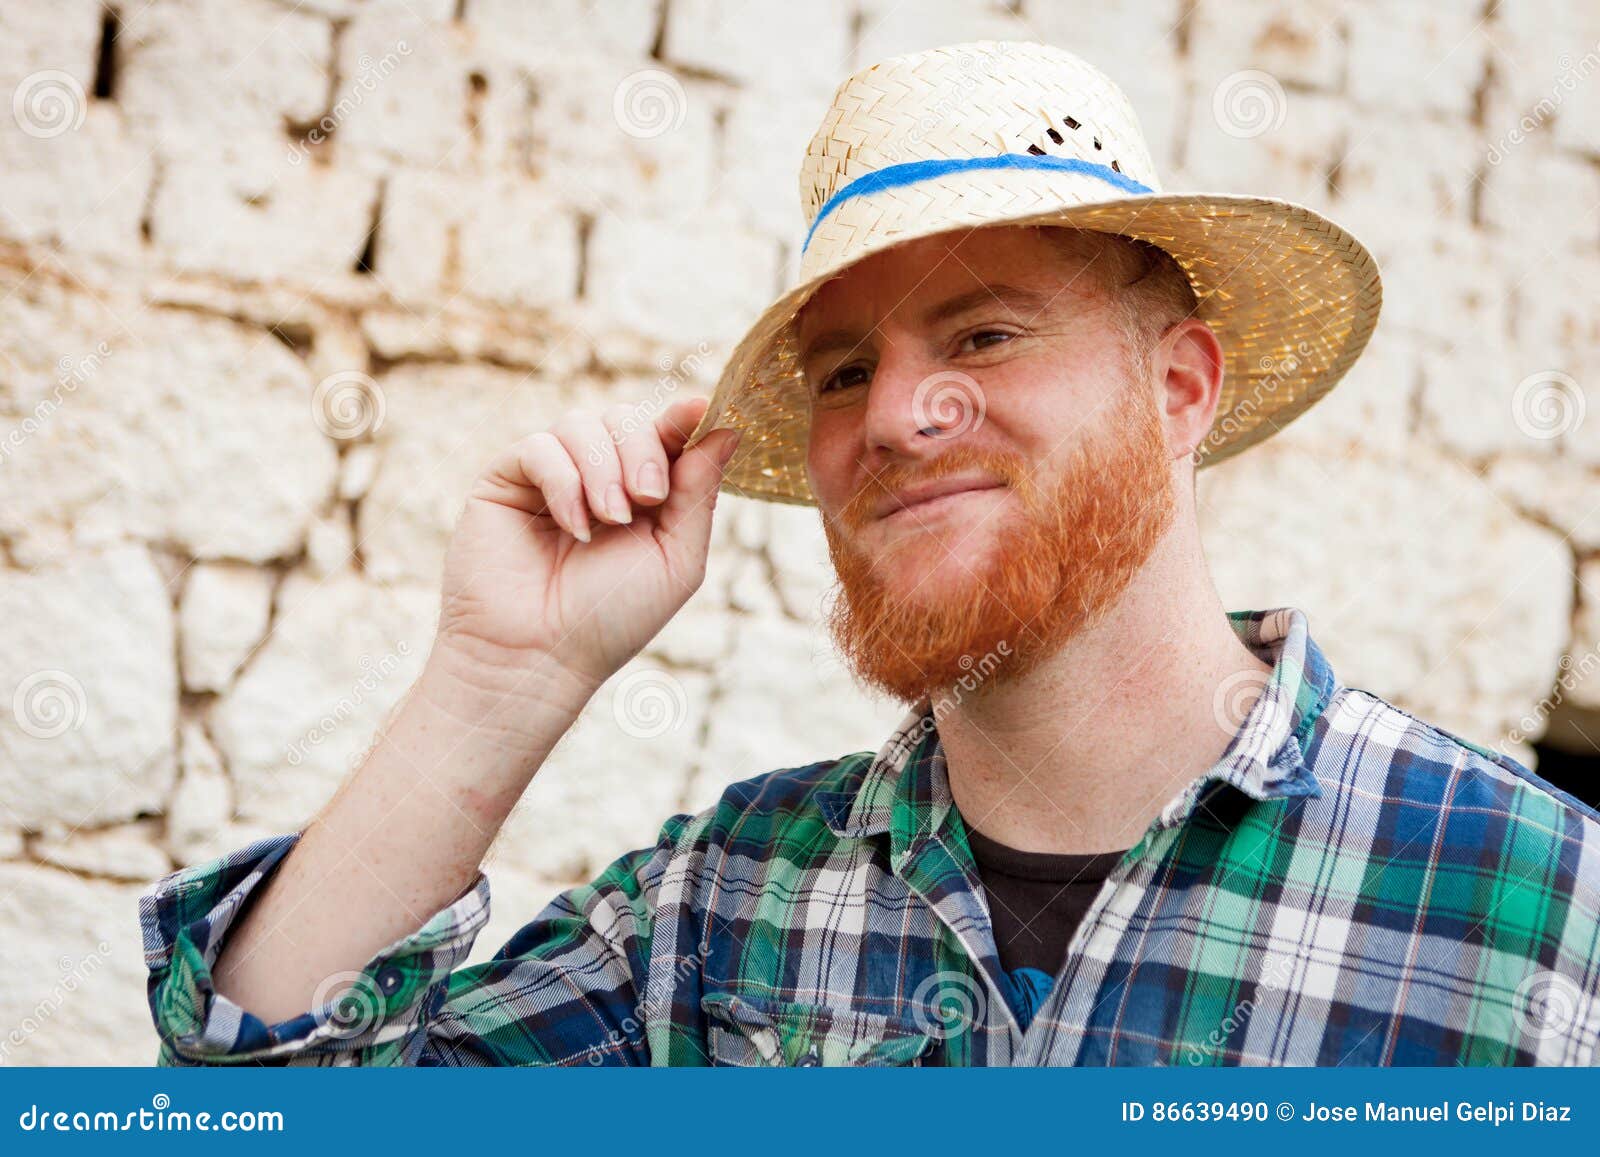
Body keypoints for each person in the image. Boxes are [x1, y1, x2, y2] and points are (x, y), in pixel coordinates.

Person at [140, 40, 1600, 1066]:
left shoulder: (1531, 904)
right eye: (843, 370)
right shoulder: (719, 908)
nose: (898, 413)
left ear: (1180, 390)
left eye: (983, 331)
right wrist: (495, 678)